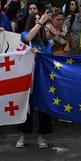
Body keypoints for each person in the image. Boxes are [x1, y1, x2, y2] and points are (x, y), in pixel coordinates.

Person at [17, 11, 53, 149]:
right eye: (37, 19)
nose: (41, 21)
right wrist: (40, 22)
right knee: (26, 106)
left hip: (41, 77)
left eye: (42, 19)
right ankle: (22, 135)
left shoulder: (45, 42)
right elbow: (27, 39)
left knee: (43, 107)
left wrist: (41, 54)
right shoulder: (24, 35)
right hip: (27, 76)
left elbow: (49, 58)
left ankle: (42, 136)